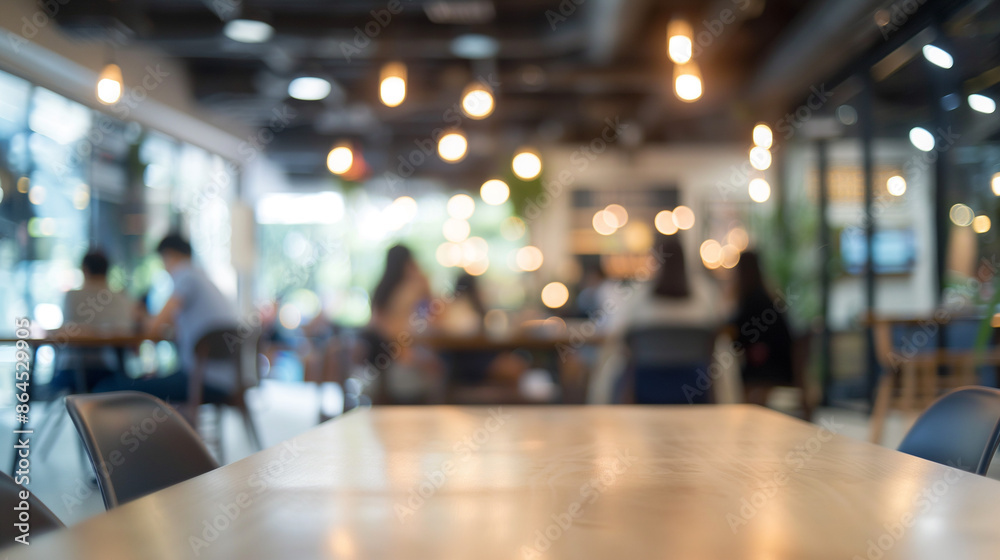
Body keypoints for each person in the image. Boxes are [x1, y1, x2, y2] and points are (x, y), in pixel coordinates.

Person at [95, 233, 239, 405]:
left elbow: (155, 327)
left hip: (200, 380)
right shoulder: (202, 277)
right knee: (135, 382)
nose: (164, 268)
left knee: (108, 388)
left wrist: (139, 313)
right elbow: (172, 326)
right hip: (227, 381)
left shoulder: (185, 276)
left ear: (169, 254)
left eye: (163, 261)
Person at [590, 235, 723, 403]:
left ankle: (605, 417)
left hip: (647, 388)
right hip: (697, 389)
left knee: (611, 365)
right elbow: (717, 340)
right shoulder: (706, 295)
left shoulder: (639, 298)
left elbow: (620, 338)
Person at [363, 245, 443, 403]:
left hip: (379, 360)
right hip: (399, 357)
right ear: (409, 262)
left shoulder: (380, 289)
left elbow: (377, 327)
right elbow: (438, 316)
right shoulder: (411, 288)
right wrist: (426, 285)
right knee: (440, 369)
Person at [52, 251, 134, 393]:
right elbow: (126, 335)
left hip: (72, 369)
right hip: (109, 371)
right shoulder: (120, 297)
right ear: (107, 270)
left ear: (85, 270)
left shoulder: (72, 296)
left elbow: (64, 331)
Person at [729, 250, 794, 406]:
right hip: (781, 364)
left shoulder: (753, 300)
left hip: (769, 368)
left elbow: (738, 335)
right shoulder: (765, 297)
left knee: (728, 375)